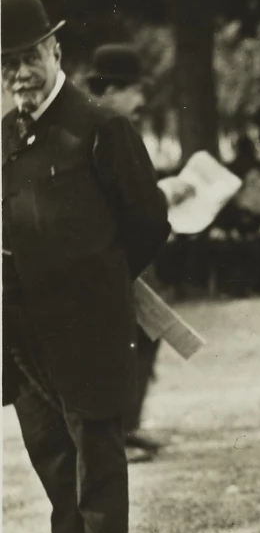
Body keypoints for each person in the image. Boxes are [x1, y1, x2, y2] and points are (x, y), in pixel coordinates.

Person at [2, 0, 170, 533]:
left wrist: (101, 279)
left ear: (55, 50)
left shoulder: (100, 124)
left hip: (88, 317)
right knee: (47, 442)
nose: (18, 73)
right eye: (5, 63)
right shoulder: (7, 134)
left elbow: (149, 221)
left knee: (95, 440)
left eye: (27, 57)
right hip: (22, 322)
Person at [87, 44, 171, 462]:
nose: (141, 101)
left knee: (143, 339)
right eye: (137, 91)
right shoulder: (108, 124)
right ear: (116, 89)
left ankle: (127, 427)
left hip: (116, 255)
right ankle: (117, 435)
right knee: (124, 343)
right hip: (115, 257)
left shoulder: (98, 121)